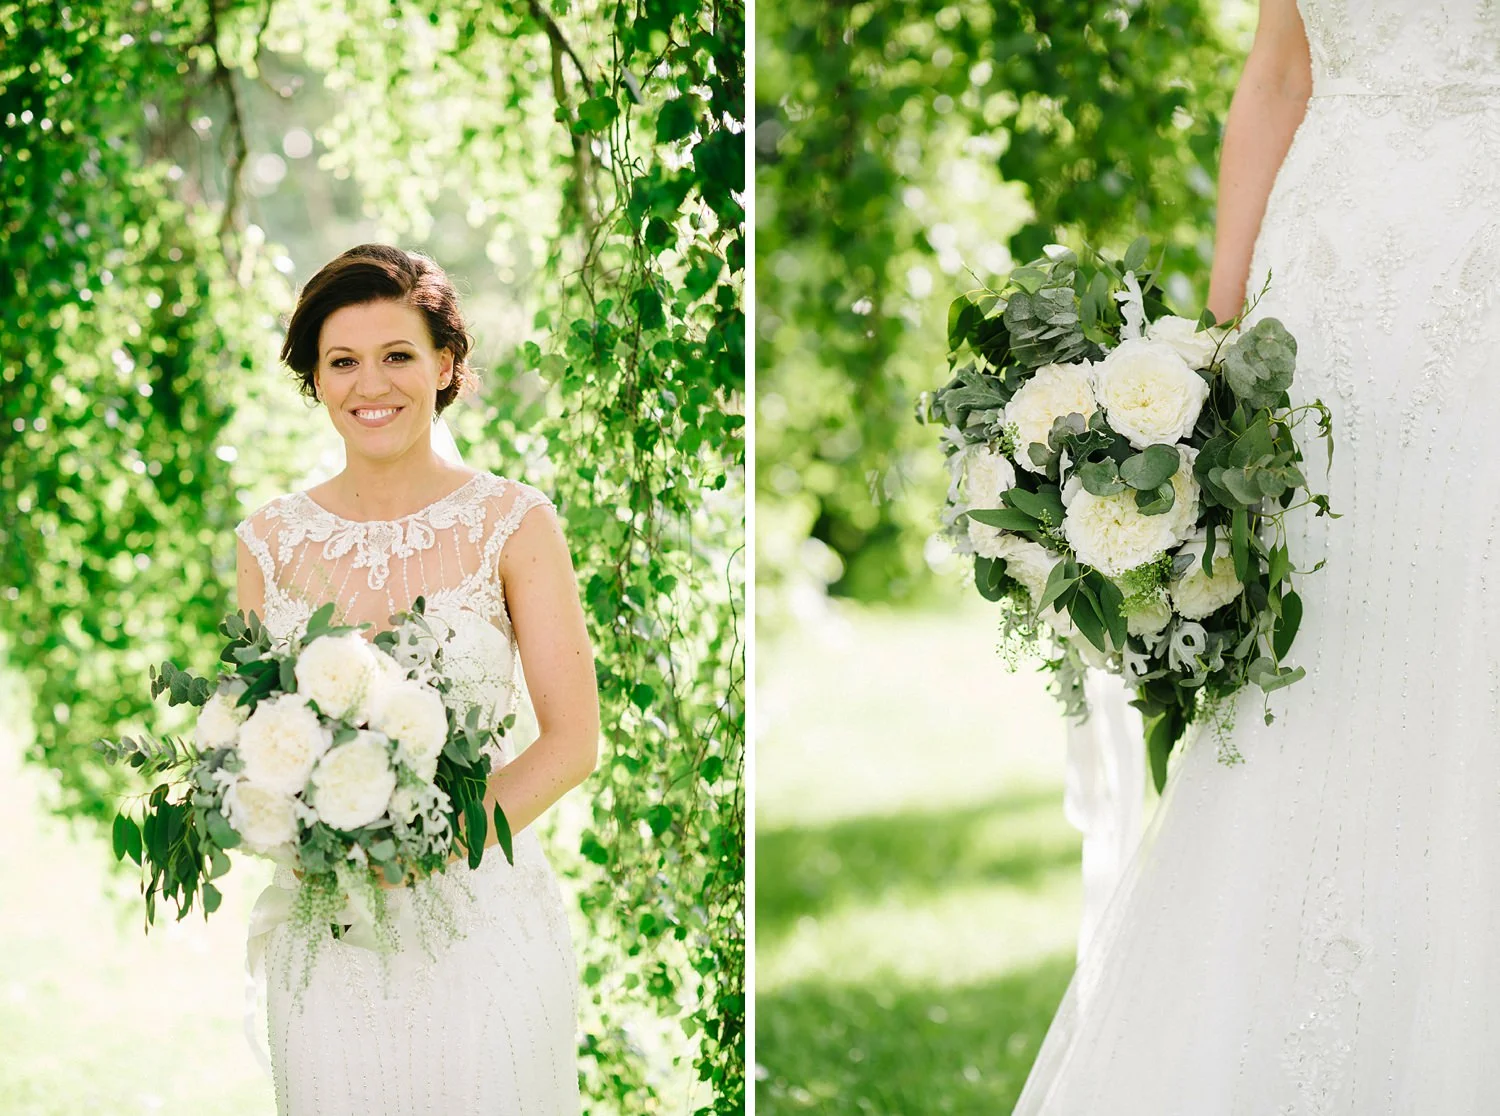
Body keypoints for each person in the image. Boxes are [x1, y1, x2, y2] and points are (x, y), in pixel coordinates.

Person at [1015, 2, 1500, 1110]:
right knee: (1323, 625)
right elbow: (1279, 71)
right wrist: (1215, 341)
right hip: (1324, 282)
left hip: (1483, 265)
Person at [234, 243, 599, 1115]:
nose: (373, 385)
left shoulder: (514, 523)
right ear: (314, 379)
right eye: (343, 362)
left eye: (397, 356)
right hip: (328, 935)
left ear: (444, 364)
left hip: (477, 922)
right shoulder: (268, 544)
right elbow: (255, 740)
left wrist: (432, 851)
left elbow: (573, 742)